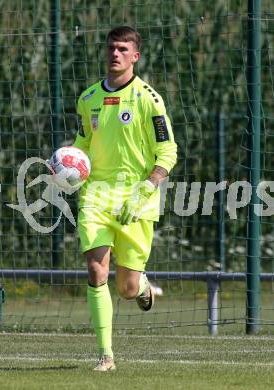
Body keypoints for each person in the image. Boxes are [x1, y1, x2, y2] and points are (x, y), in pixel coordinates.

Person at [73, 26, 177, 371]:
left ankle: (141, 284)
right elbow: (83, 143)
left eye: (122, 49)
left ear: (135, 56)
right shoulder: (88, 98)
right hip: (96, 195)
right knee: (95, 269)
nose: (114, 54)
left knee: (127, 288)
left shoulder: (149, 99)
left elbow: (167, 151)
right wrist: (66, 162)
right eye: (110, 48)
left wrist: (148, 187)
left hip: (137, 198)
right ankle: (106, 355)